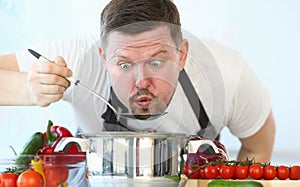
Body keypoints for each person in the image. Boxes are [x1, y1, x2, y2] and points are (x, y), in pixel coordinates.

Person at [0, 0, 275, 163]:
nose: (142, 81)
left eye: (156, 62)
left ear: (182, 55)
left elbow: (258, 146)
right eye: (124, 64)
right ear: (102, 56)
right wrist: (25, 89)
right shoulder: (76, 59)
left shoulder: (227, 74)